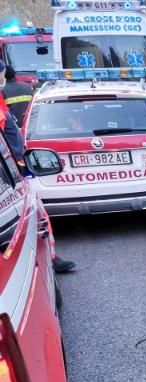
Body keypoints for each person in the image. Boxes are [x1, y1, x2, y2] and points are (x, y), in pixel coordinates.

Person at [0, 91, 75, 273]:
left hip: (12, 172)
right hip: (10, 175)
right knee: (36, 215)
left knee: (39, 215)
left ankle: (51, 257)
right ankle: (49, 259)